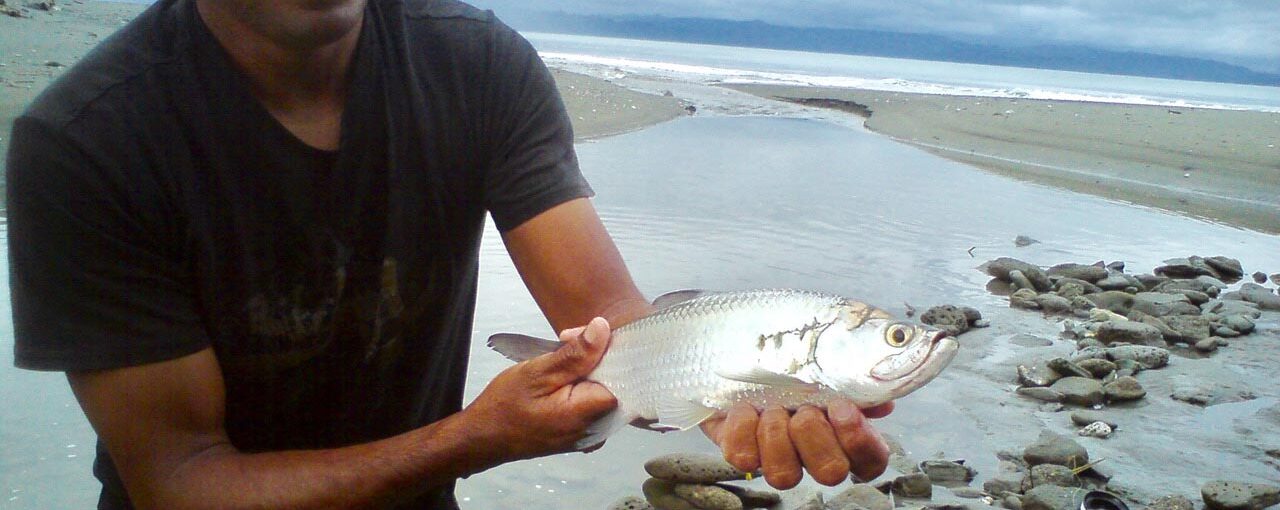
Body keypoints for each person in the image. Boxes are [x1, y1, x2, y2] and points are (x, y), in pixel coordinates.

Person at [4, 0, 893, 507]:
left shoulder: (474, 66)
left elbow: (613, 330)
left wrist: (737, 393)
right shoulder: (89, 144)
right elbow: (181, 480)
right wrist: (470, 440)